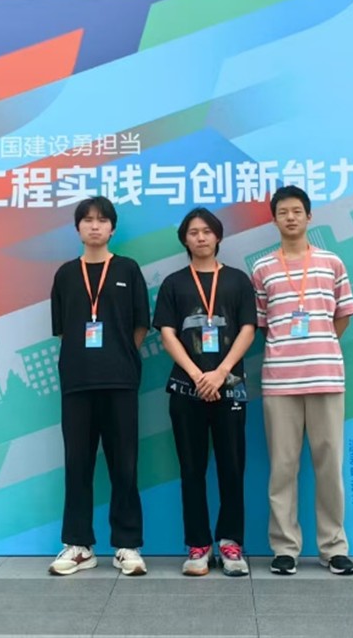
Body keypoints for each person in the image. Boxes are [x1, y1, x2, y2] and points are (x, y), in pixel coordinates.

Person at [252, 185, 353, 576]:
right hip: (280, 383)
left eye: (297, 211)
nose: (291, 217)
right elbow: (263, 325)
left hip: (325, 377)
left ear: (309, 216)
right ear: (274, 219)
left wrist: (320, 345)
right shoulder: (262, 269)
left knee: (329, 465)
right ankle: (285, 548)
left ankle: (334, 548)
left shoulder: (332, 263)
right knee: (283, 467)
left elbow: (343, 316)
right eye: (283, 212)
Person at [47, 196, 150, 576]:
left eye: (102, 220)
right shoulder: (65, 274)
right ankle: (78, 545)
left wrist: (119, 357)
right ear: (77, 228)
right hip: (77, 383)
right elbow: (63, 330)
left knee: (125, 464)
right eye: (87, 220)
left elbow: (140, 325)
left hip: (120, 381)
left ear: (112, 228)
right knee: (77, 464)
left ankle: (127, 545)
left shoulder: (127, 269)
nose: (95, 226)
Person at [153, 207, 257, 577]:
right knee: (191, 469)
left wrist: (221, 372)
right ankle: (198, 545)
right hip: (187, 389)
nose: (200, 237)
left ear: (218, 236)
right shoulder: (174, 283)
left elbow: (248, 329)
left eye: (207, 231)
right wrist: (199, 376)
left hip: (230, 388)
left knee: (232, 468)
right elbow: (167, 334)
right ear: (185, 239)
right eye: (193, 232)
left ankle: (231, 543)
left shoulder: (238, 280)